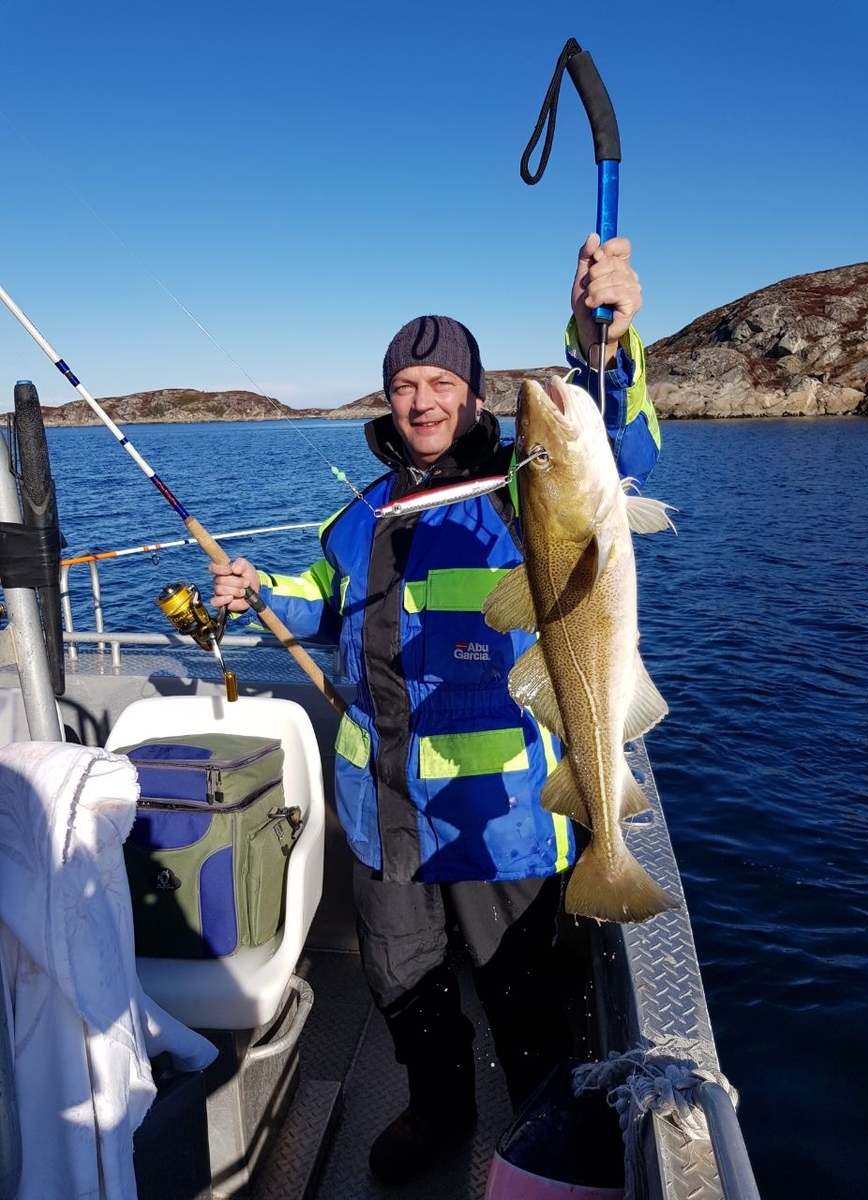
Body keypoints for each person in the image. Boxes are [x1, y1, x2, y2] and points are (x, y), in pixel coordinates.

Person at [209, 233, 660, 1184]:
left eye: (442, 384)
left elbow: (618, 451)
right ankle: (440, 1108)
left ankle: (546, 1143)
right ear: (388, 399)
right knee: (400, 976)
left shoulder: (523, 490)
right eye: (405, 385)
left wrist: (604, 342)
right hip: (383, 807)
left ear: (475, 397)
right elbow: (325, 600)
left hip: (502, 813)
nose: (422, 401)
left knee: (523, 995)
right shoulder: (360, 514)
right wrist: (258, 591)